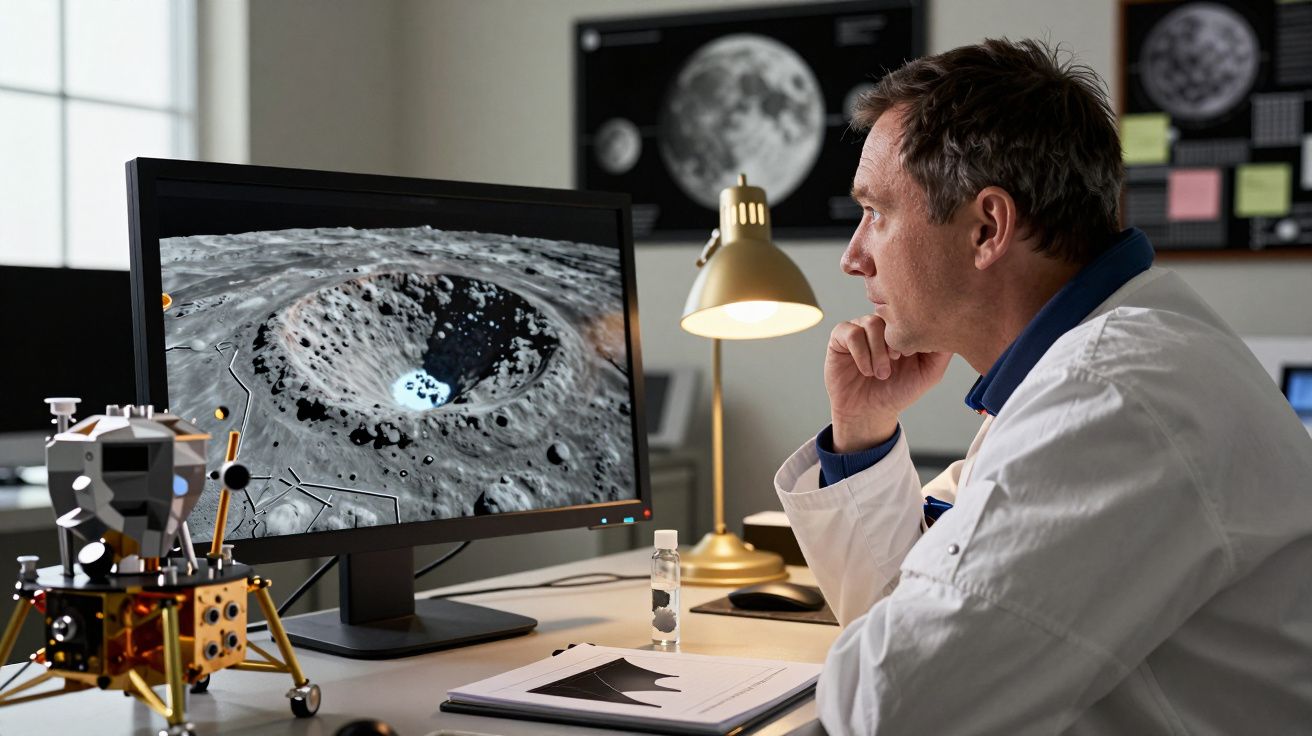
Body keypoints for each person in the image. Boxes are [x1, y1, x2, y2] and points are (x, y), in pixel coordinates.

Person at [774, 38, 1312, 734]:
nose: (854, 258)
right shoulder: (1085, 368)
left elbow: (900, 705)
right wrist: (864, 433)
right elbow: (906, 615)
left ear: (987, 228)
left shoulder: (1112, 393)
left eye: (876, 213)